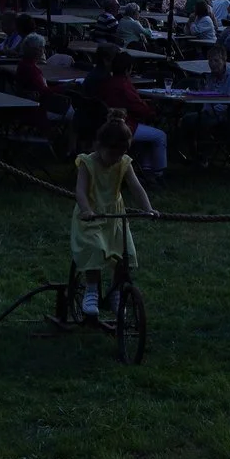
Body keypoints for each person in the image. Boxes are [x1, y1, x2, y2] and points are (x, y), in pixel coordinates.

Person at [70, 115, 156, 320]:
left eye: (121, 154)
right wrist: (86, 210)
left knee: (124, 254)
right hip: (91, 215)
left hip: (115, 216)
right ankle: (91, 290)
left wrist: (148, 208)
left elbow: (136, 187)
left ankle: (116, 291)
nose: (116, 159)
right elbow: (80, 191)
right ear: (100, 146)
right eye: (113, 153)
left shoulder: (124, 163)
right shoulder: (87, 162)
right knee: (95, 248)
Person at [96, 48, 167, 177]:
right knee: (160, 136)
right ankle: (158, 172)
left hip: (107, 124)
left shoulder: (107, 82)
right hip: (125, 126)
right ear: (128, 68)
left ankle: (146, 166)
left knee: (149, 133)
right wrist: (153, 111)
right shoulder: (123, 85)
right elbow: (138, 106)